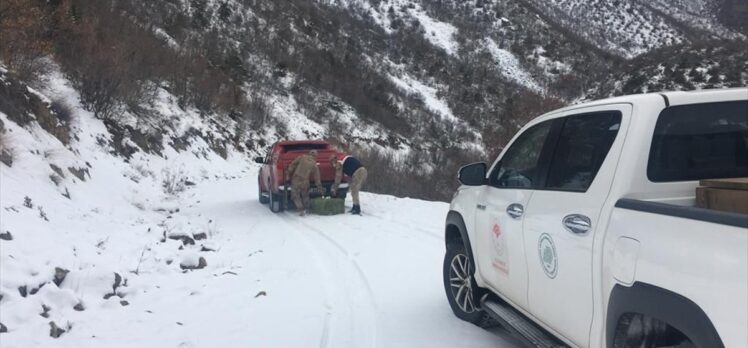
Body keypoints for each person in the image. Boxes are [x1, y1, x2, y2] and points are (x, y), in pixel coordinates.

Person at [286, 150, 323, 216]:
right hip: (305, 181)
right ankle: (307, 208)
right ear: (315, 156)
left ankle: (301, 209)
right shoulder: (314, 164)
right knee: (305, 195)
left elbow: (293, 164)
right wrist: (319, 186)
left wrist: (288, 174)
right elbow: (317, 177)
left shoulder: (302, 157)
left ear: (309, 153)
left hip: (296, 179)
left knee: (295, 195)